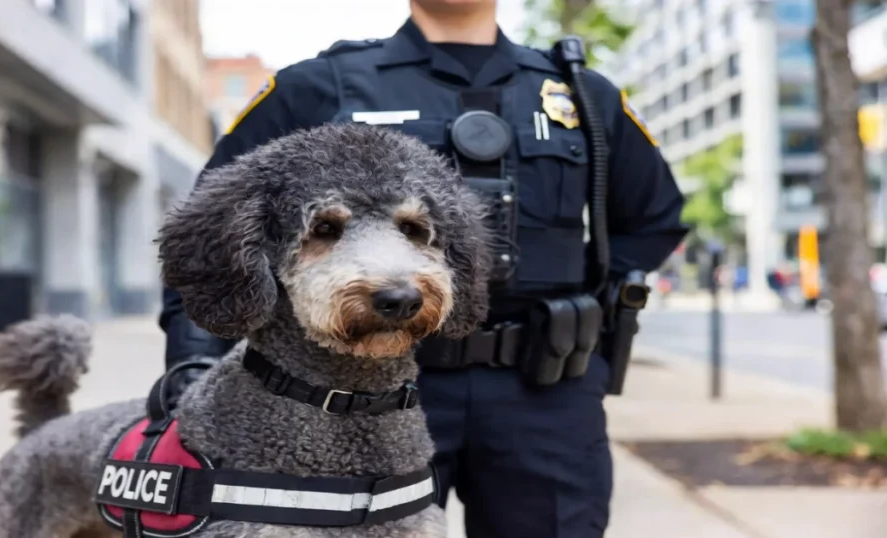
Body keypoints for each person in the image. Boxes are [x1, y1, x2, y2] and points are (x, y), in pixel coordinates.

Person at [158, 1, 688, 537]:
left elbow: (655, 218)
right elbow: (211, 238)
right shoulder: (315, 87)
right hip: (350, 397)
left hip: (546, 389)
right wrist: (190, 370)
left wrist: (582, 309)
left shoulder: (582, 95)